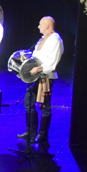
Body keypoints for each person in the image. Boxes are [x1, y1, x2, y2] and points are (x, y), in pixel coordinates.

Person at [18, 15, 63, 147]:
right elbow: (37, 56)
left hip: (45, 77)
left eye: (40, 24)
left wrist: (39, 68)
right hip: (35, 76)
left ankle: (42, 135)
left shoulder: (55, 39)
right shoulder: (42, 39)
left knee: (44, 106)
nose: (38, 27)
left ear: (47, 26)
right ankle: (30, 132)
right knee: (28, 103)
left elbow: (53, 62)